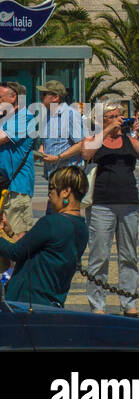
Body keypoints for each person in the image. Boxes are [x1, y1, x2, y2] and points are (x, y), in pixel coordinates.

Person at [82, 101, 139, 316]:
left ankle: (129, 303)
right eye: (111, 116)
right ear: (101, 119)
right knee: (99, 256)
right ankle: (97, 306)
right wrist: (106, 129)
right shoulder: (95, 139)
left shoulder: (128, 140)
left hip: (129, 202)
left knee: (129, 256)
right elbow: (86, 153)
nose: (117, 119)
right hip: (102, 204)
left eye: (119, 115)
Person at [0, 166, 89, 307]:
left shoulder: (51, 223)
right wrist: (10, 233)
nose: (49, 194)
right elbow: (38, 250)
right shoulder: (82, 228)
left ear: (66, 192)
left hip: (27, 302)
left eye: (52, 188)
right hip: (53, 302)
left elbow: (15, 252)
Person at [0, 80, 39, 241]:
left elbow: (2, 138)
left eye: (0, 97)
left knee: (17, 238)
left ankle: (19, 267)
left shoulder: (24, 117)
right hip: (5, 185)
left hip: (16, 187)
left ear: (13, 97)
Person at [35, 82, 85, 191]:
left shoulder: (71, 114)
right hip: (53, 175)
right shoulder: (47, 115)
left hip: (67, 175)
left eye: (44, 94)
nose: (40, 97)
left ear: (55, 97)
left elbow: (81, 144)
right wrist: (41, 151)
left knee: (65, 207)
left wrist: (58, 157)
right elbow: (45, 142)